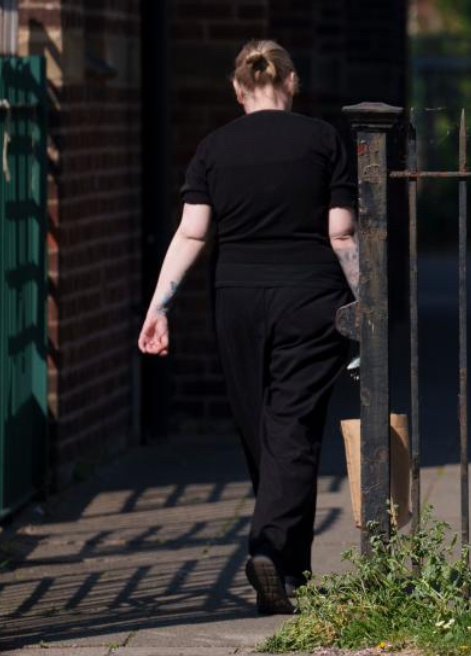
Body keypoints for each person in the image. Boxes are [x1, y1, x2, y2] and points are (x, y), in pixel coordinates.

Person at [137, 40, 360, 615]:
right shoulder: (321, 140)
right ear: (292, 82)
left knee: (261, 426)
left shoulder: (213, 148)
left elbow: (191, 234)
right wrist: (369, 301)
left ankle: (290, 571)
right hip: (309, 298)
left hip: (234, 299)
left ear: (238, 89)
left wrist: (158, 307)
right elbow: (340, 235)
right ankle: (270, 548)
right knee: (293, 427)